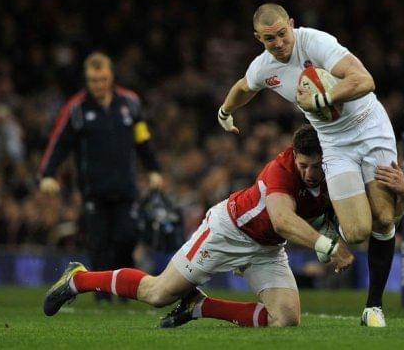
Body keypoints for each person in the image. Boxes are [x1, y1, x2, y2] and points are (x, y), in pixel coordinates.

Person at [43, 125, 355, 327]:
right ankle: (78, 279)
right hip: (228, 231)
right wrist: (326, 245)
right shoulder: (280, 170)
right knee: (157, 294)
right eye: (304, 165)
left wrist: (337, 236)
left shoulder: (332, 174)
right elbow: (282, 220)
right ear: (293, 156)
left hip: (267, 249)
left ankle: (200, 306)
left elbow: (330, 214)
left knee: (285, 319)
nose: (311, 173)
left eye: (317, 166)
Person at [216, 3, 404, 327]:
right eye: (268, 38)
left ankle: (373, 306)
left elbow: (365, 80)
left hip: (369, 127)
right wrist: (224, 111)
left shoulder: (317, 43)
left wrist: (320, 99)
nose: (278, 42)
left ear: (291, 24)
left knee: (386, 217)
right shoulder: (264, 67)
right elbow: (244, 87)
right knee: (359, 232)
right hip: (333, 143)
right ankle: (330, 217)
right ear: (257, 38)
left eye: (281, 33)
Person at [39, 52, 163, 304]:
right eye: (93, 80)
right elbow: (59, 142)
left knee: (127, 238)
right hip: (94, 191)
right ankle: (102, 299)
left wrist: (153, 169)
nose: (98, 85)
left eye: (102, 79)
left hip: (126, 189)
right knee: (99, 245)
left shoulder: (130, 103)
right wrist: (47, 174)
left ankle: (126, 291)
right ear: (87, 79)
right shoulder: (77, 108)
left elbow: (143, 139)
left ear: (111, 77)